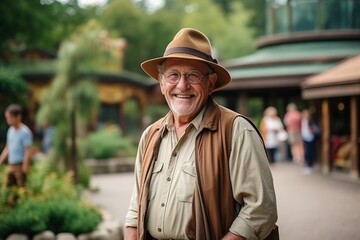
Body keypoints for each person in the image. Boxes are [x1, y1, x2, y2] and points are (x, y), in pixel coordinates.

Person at [125, 28, 277, 240]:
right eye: (173, 75)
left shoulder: (236, 130)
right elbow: (135, 209)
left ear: (211, 82)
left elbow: (260, 210)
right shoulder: (151, 135)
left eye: (193, 75)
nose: (182, 85)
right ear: (161, 83)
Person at [0, 104, 33, 190]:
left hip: (20, 164)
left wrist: (25, 168)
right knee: (8, 188)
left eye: (10, 117)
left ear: (18, 117)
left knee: (21, 189)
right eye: (7, 118)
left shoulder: (25, 132)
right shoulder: (10, 130)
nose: (8, 120)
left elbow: (27, 151)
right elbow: (8, 147)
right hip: (11, 164)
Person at [301, 109, 320, 174]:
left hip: (311, 138)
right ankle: (308, 164)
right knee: (306, 152)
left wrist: (312, 130)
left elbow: (316, 129)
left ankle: (310, 165)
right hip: (305, 138)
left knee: (310, 152)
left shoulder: (311, 121)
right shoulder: (303, 121)